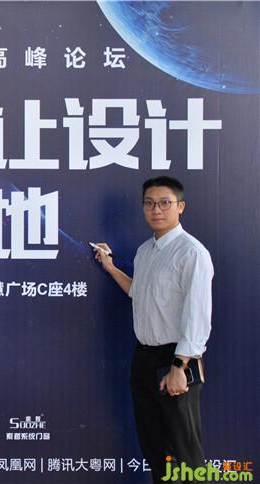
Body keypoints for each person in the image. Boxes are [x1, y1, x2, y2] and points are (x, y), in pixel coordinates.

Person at [93, 176, 213, 483]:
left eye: (164, 203)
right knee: (155, 447)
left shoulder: (191, 253)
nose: (156, 210)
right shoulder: (145, 251)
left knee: (185, 452)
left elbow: (198, 315)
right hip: (144, 358)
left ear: (180, 207)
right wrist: (110, 267)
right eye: (149, 203)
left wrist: (179, 366)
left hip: (175, 359)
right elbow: (139, 293)